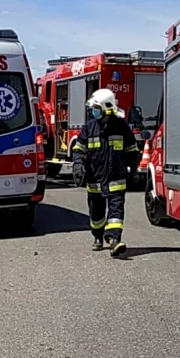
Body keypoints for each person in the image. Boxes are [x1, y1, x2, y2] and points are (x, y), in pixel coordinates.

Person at [72, 89, 140, 257]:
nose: (93, 111)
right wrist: (78, 164)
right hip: (94, 179)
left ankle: (114, 240)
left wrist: (134, 169)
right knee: (96, 213)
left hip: (116, 177)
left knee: (116, 211)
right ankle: (97, 237)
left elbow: (132, 149)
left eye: (96, 108)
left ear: (106, 108)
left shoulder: (121, 126)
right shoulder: (89, 127)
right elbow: (79, 148)